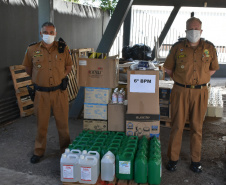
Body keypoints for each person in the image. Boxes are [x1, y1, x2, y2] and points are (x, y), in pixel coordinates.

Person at [163, 17, 219, 173]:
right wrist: (182, 80)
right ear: (186, 30)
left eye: (196, 28)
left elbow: (213, 69)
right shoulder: (177, 48)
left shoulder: (209, 48)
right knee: (177, 125)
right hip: (180, 91)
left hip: (201, 92)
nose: (194, 31)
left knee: (197, 127)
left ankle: (196, 160)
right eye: (191, 28)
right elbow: (168, 69)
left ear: (201, 30)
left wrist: (201, 79)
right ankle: (173, 159)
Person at [22, 22, 73, 164]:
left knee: (63, 125)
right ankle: (38, 151)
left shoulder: (63, 48)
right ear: (40, 33)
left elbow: (69, 65)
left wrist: (61, 75)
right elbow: (27, 67)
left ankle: (65, 150)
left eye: (51, 32)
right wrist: (38, 78)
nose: (48, 35)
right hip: (41, 94)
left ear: (55, 34)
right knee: (41, 124)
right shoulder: (32, 49)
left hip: (59, 93)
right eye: (46, 32)